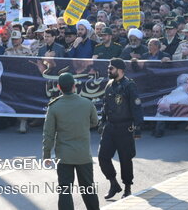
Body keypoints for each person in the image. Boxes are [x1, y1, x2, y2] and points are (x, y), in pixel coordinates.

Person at [43, 73, 99, 210]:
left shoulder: (54, 106)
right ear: (74, 86)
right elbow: (95, 122)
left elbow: (48, 134)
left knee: (65, 190)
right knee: (88, 188)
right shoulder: (87, 103)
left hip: (64, 156)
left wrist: (46, 155)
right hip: (83, 155)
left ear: (58, 87)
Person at [99, 58, 143, 200]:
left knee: (125, 159)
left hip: (125, 127)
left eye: (111, 68)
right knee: (103, 157)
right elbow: (105, 105)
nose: (109, 70)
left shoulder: (129, 85)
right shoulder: (109, 84)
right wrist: (102, 121)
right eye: (108, 68)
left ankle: (127, 188)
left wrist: (137, 128)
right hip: (110, 127)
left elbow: (136, 108)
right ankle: (113, 183)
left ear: (120, 70)